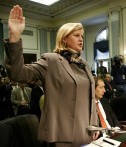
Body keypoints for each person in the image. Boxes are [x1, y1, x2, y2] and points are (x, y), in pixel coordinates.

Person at [4, 5, 99, 147]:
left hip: (87, 131)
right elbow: (18, 74)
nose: (81, 39)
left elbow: (90, 99)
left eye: (82, 36)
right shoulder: (51, 60)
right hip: (62, 133)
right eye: (76, 35)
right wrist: (14, 37)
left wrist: (94, 124)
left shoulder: (84, 64)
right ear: (64, 39)